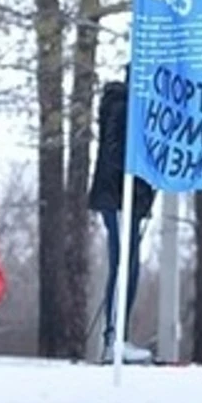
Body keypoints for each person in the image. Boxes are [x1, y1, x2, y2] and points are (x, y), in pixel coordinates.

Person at [87, 66, 156, 363]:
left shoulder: (142, 110)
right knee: (123, 264)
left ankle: (119, 335)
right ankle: (113, 337)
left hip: (132, 199)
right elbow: (115, 151)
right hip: (117, 195)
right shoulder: (121, 104)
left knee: (130, 266)